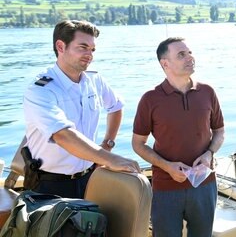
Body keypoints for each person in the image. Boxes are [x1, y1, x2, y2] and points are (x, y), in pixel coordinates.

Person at [23, 19, 141, 199]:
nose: (89, 54)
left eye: (92, 49)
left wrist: (107, 145)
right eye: (83, 47)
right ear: (61, 47)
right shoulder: (40, 89)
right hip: (49, 185)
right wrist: (110, 159)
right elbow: (63, 135)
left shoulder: (95, 80)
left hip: (90, 178)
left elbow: (116, 107)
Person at [132, 37, 225, 237]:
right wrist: (167, 166)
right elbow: (138, 144)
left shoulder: (207, 92)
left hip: (204, 184)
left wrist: (209, 153)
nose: (189, 58)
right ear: (165, 64)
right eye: (181, 55)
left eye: (189, 52)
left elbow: (219, 132)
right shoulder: (150, 99)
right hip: (166, 187)